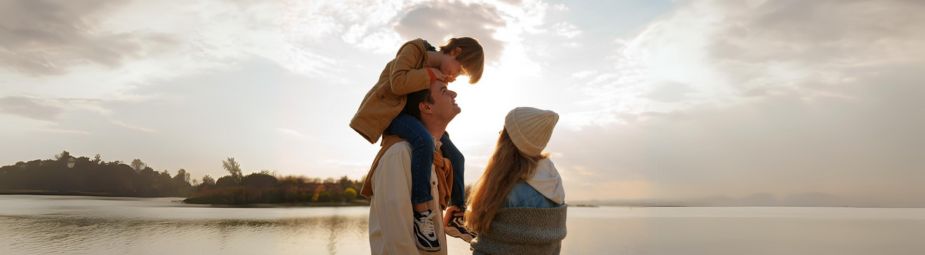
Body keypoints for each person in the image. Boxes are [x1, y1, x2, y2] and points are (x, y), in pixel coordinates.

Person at [351, 38, 483, 250]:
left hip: (414, 120)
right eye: (459, 71)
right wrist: (432, 75)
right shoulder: (415, 50)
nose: (454, 79)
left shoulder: (437, 71)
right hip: (394, 115)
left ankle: (456, 213)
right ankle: (422, 211)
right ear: (456, 52)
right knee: (423, 141)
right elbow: (398, 83)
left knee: (457, 157)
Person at [364, 80, 461, 254]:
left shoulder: (435, 159)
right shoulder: (399, 154)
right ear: (426, 107)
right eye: (444, 90)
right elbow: (398, 240)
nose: (454, 94)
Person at [465, 107, 567, 255]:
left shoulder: (506, 187)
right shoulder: (553, 183)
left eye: (503, 131)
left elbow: (494, 243)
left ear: (507, 141)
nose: (499, 134)